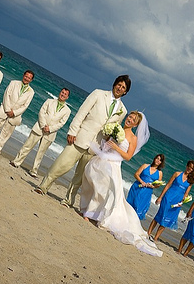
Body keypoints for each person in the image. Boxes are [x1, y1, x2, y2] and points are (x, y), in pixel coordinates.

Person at [34, 75, 130, 209]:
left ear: (125, 92)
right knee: (61, 164)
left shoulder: (123, 111)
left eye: (123, 87)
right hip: (81, 136)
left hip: (96, 146)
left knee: (80, 176)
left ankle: (68, 200)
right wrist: (73, 131)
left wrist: (104, 148)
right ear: (114, 84)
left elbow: (114, 130)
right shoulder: (98, 94)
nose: (120, 88)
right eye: (119, 85)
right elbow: (82, 112)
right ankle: (43, 186)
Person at [80, 111, 161, 257]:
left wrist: (116, 147)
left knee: (108, 192)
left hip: (114, 165)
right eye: (130, 116)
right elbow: (107, 145)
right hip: (104, 159)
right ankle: (89, 209)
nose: (130, 119)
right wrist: (107, 141)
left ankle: (91, 213)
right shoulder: (117, 128)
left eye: (133, 119)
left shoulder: (133, 138)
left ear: (136, 124)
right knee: (94, 182)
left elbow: (128, 157)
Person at [9, 88, 71, 177]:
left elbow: (61, 123)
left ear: (67, 97)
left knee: (41, 153)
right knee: (27, 145)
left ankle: (34, 171)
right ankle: (16, 162)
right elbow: (42, 112)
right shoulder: (49, 101)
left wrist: (49, 129)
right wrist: (43, 125)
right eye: (62, 92)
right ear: (60, 92)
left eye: (65, 94)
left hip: (50, 133)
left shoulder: (67, 110)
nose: (63, 94)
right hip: (39, 127)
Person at [0, 70, 35, 156]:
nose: (27, 78)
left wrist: (14, 113)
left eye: (29, 78)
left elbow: (25, 106)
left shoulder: (31, 92)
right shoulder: (13, 83)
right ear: (23, 75)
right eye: (26, 76)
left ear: (31, 80)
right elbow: (6, 95)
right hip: (4, 110)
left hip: (15, 116)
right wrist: (7, 109)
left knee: (5, 134)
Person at [147, 161, 194, 241]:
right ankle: (149, 233)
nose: (189, 169)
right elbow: (168, 185)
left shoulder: (190, 181)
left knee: (166, 220)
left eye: (192, 168)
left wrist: (182, 202)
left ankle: (156, 237)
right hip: (168, 198)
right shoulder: (177, 174)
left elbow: (186, 194)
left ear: (193, 170)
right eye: (189, 166)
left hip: (177, 202)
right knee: (159, 216)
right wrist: (160, 197)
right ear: (186, 166)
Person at [126, 154, 165, 220]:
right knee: (130, 205)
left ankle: (132, 223)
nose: (158, 161)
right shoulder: (145, 166)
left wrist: (152, 186)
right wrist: (142, 182)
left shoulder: (160, 173)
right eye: (157, 158)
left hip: (146, 192)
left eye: (160, 160)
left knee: (138, 208)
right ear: (154, 158)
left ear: (161, 163)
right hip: (137, 188)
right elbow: (136, 174)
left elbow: (158, 185)